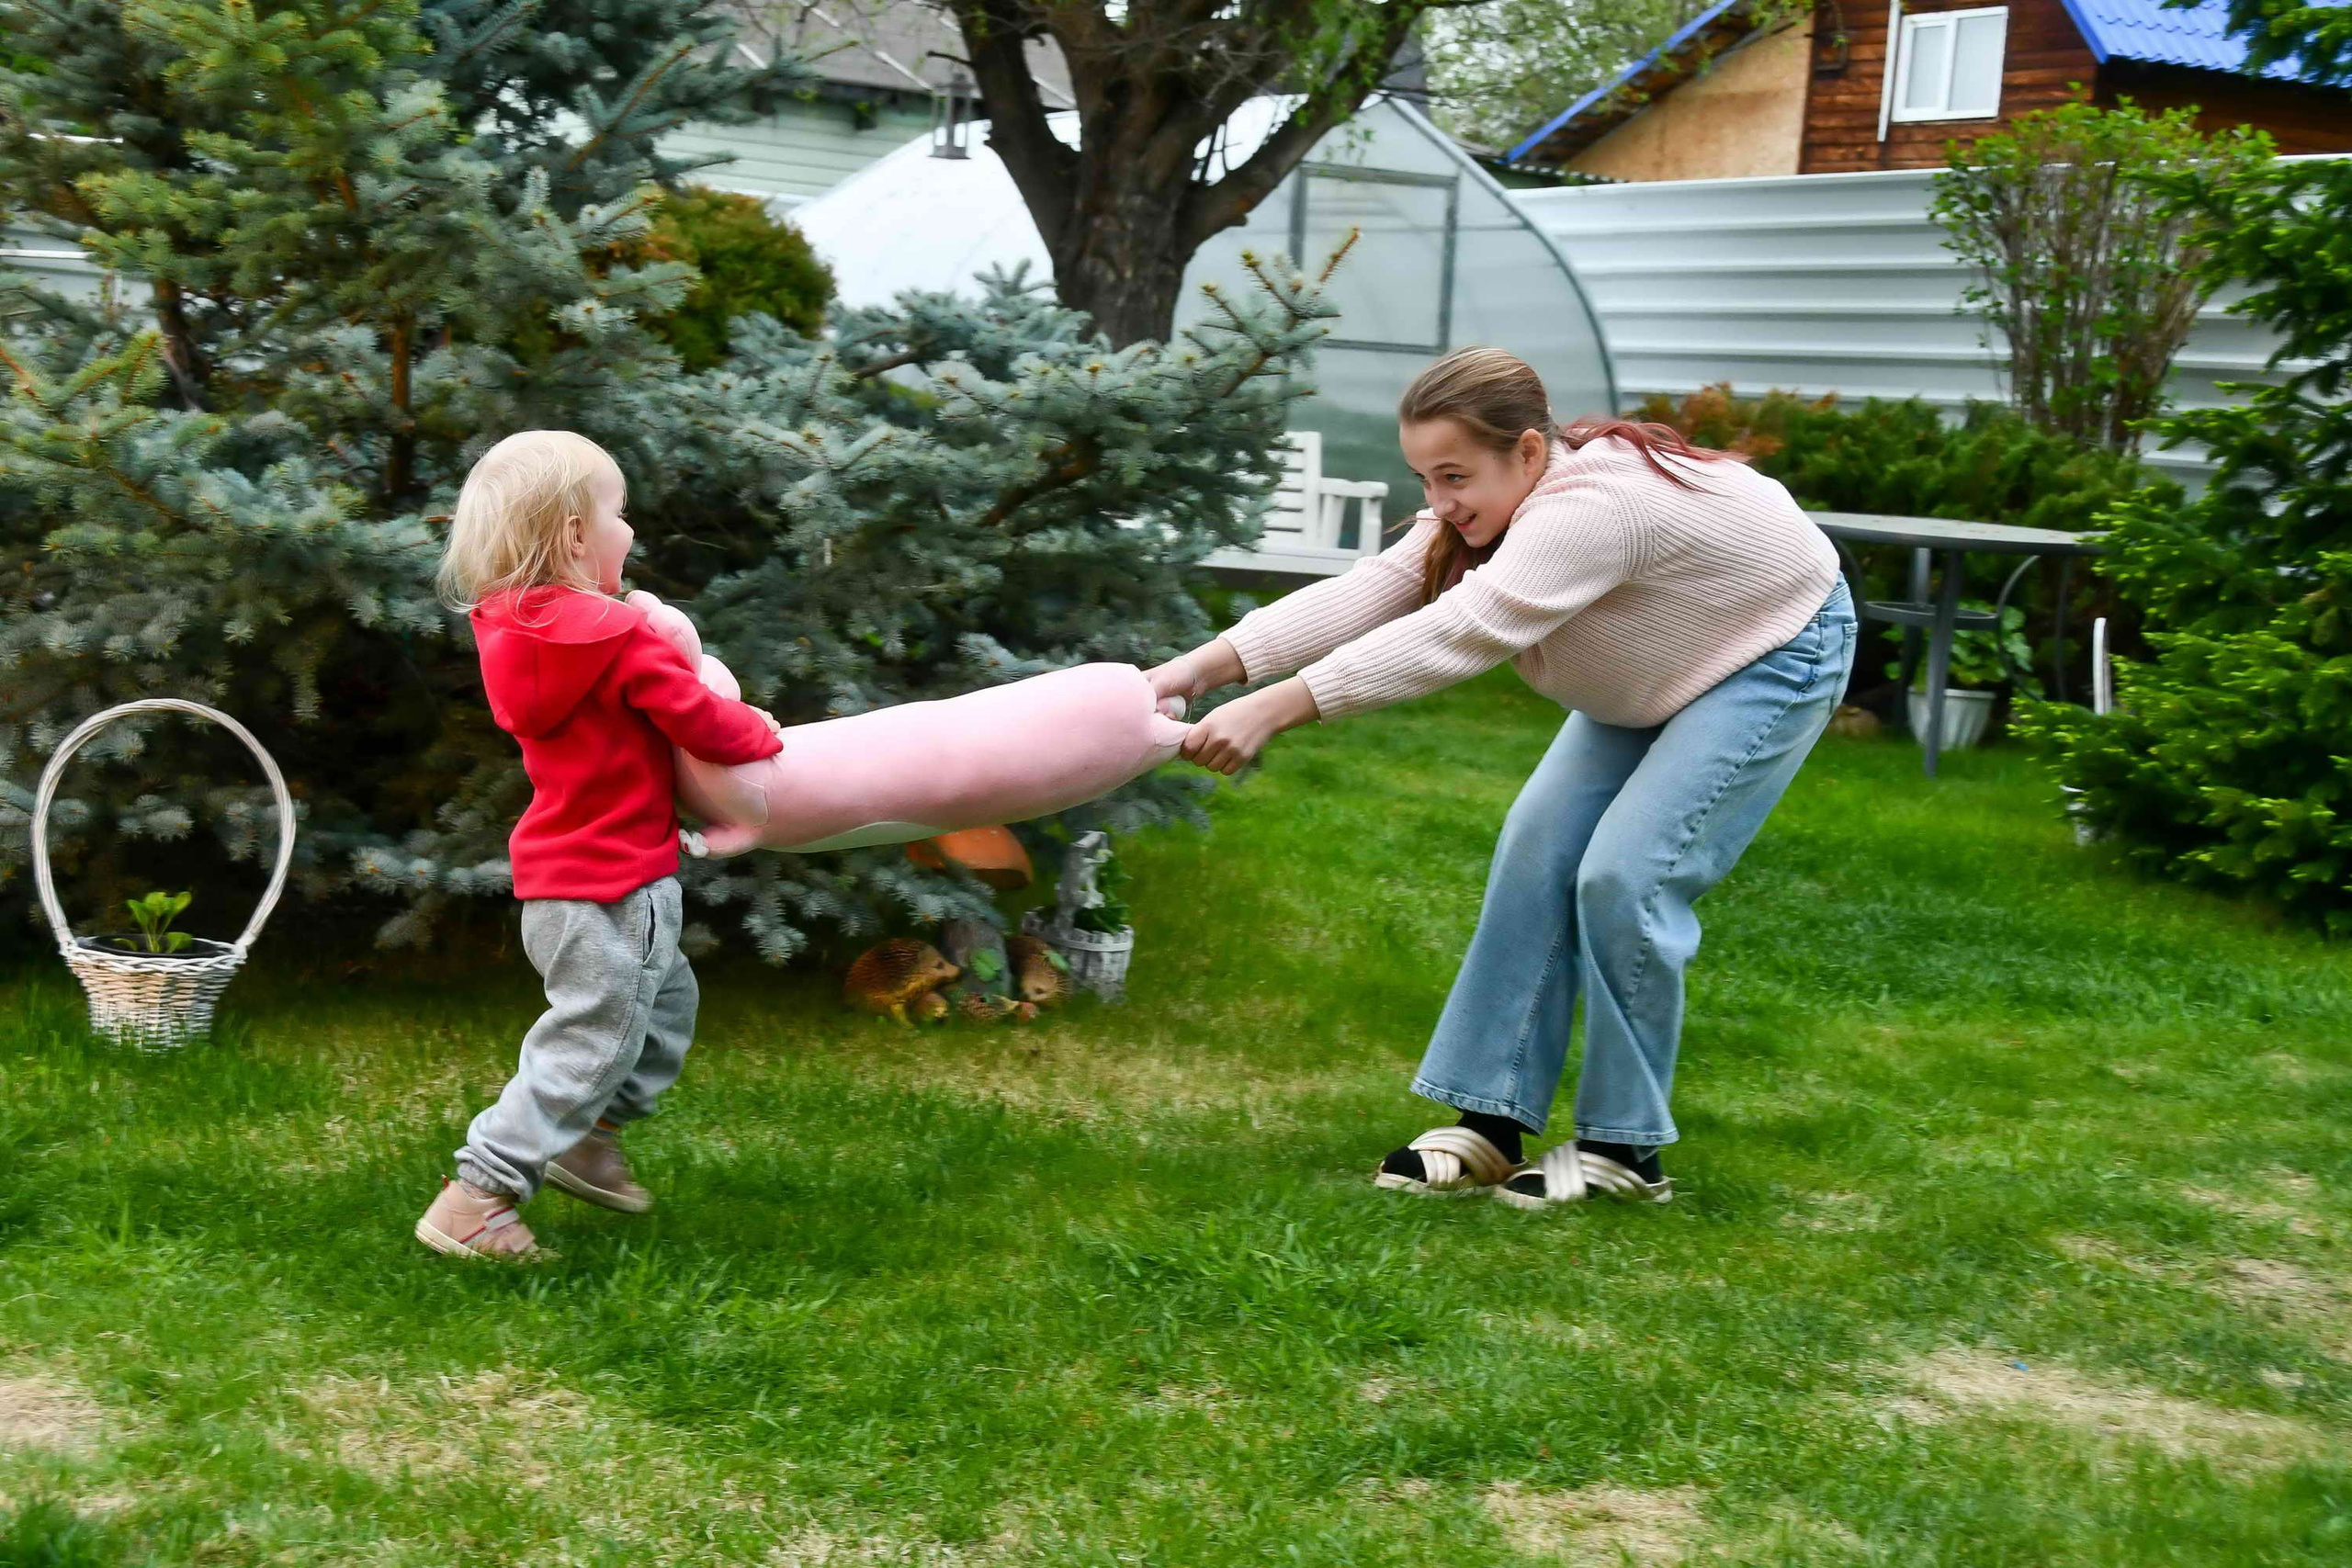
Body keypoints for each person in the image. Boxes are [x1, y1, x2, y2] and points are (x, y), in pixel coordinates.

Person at [1149, 348, 1854, 1207]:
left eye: (1454, 475)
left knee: (1628, 877)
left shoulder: (1591, 510)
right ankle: (1489, 1123)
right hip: (1655, 663)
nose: (1440, 503)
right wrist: (1191, 672)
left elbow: (1465, 628)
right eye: (1425, 479)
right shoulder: (1487, 505)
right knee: (1536, 850)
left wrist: (1277, 708)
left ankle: (1623, 1151)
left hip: (1772, 651)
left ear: (1526, 452)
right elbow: (1376, 588)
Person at [415, 431, 785, 1259]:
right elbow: (696, 716)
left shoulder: (510, 628)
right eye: (620, 513)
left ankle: (586, 1137)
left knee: (662, 1009)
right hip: (619, 884)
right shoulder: (617, 635)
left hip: (559, 884)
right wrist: (758, 728)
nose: (631, 531)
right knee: (593, 1040)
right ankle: (478, 1193)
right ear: (577, 534)